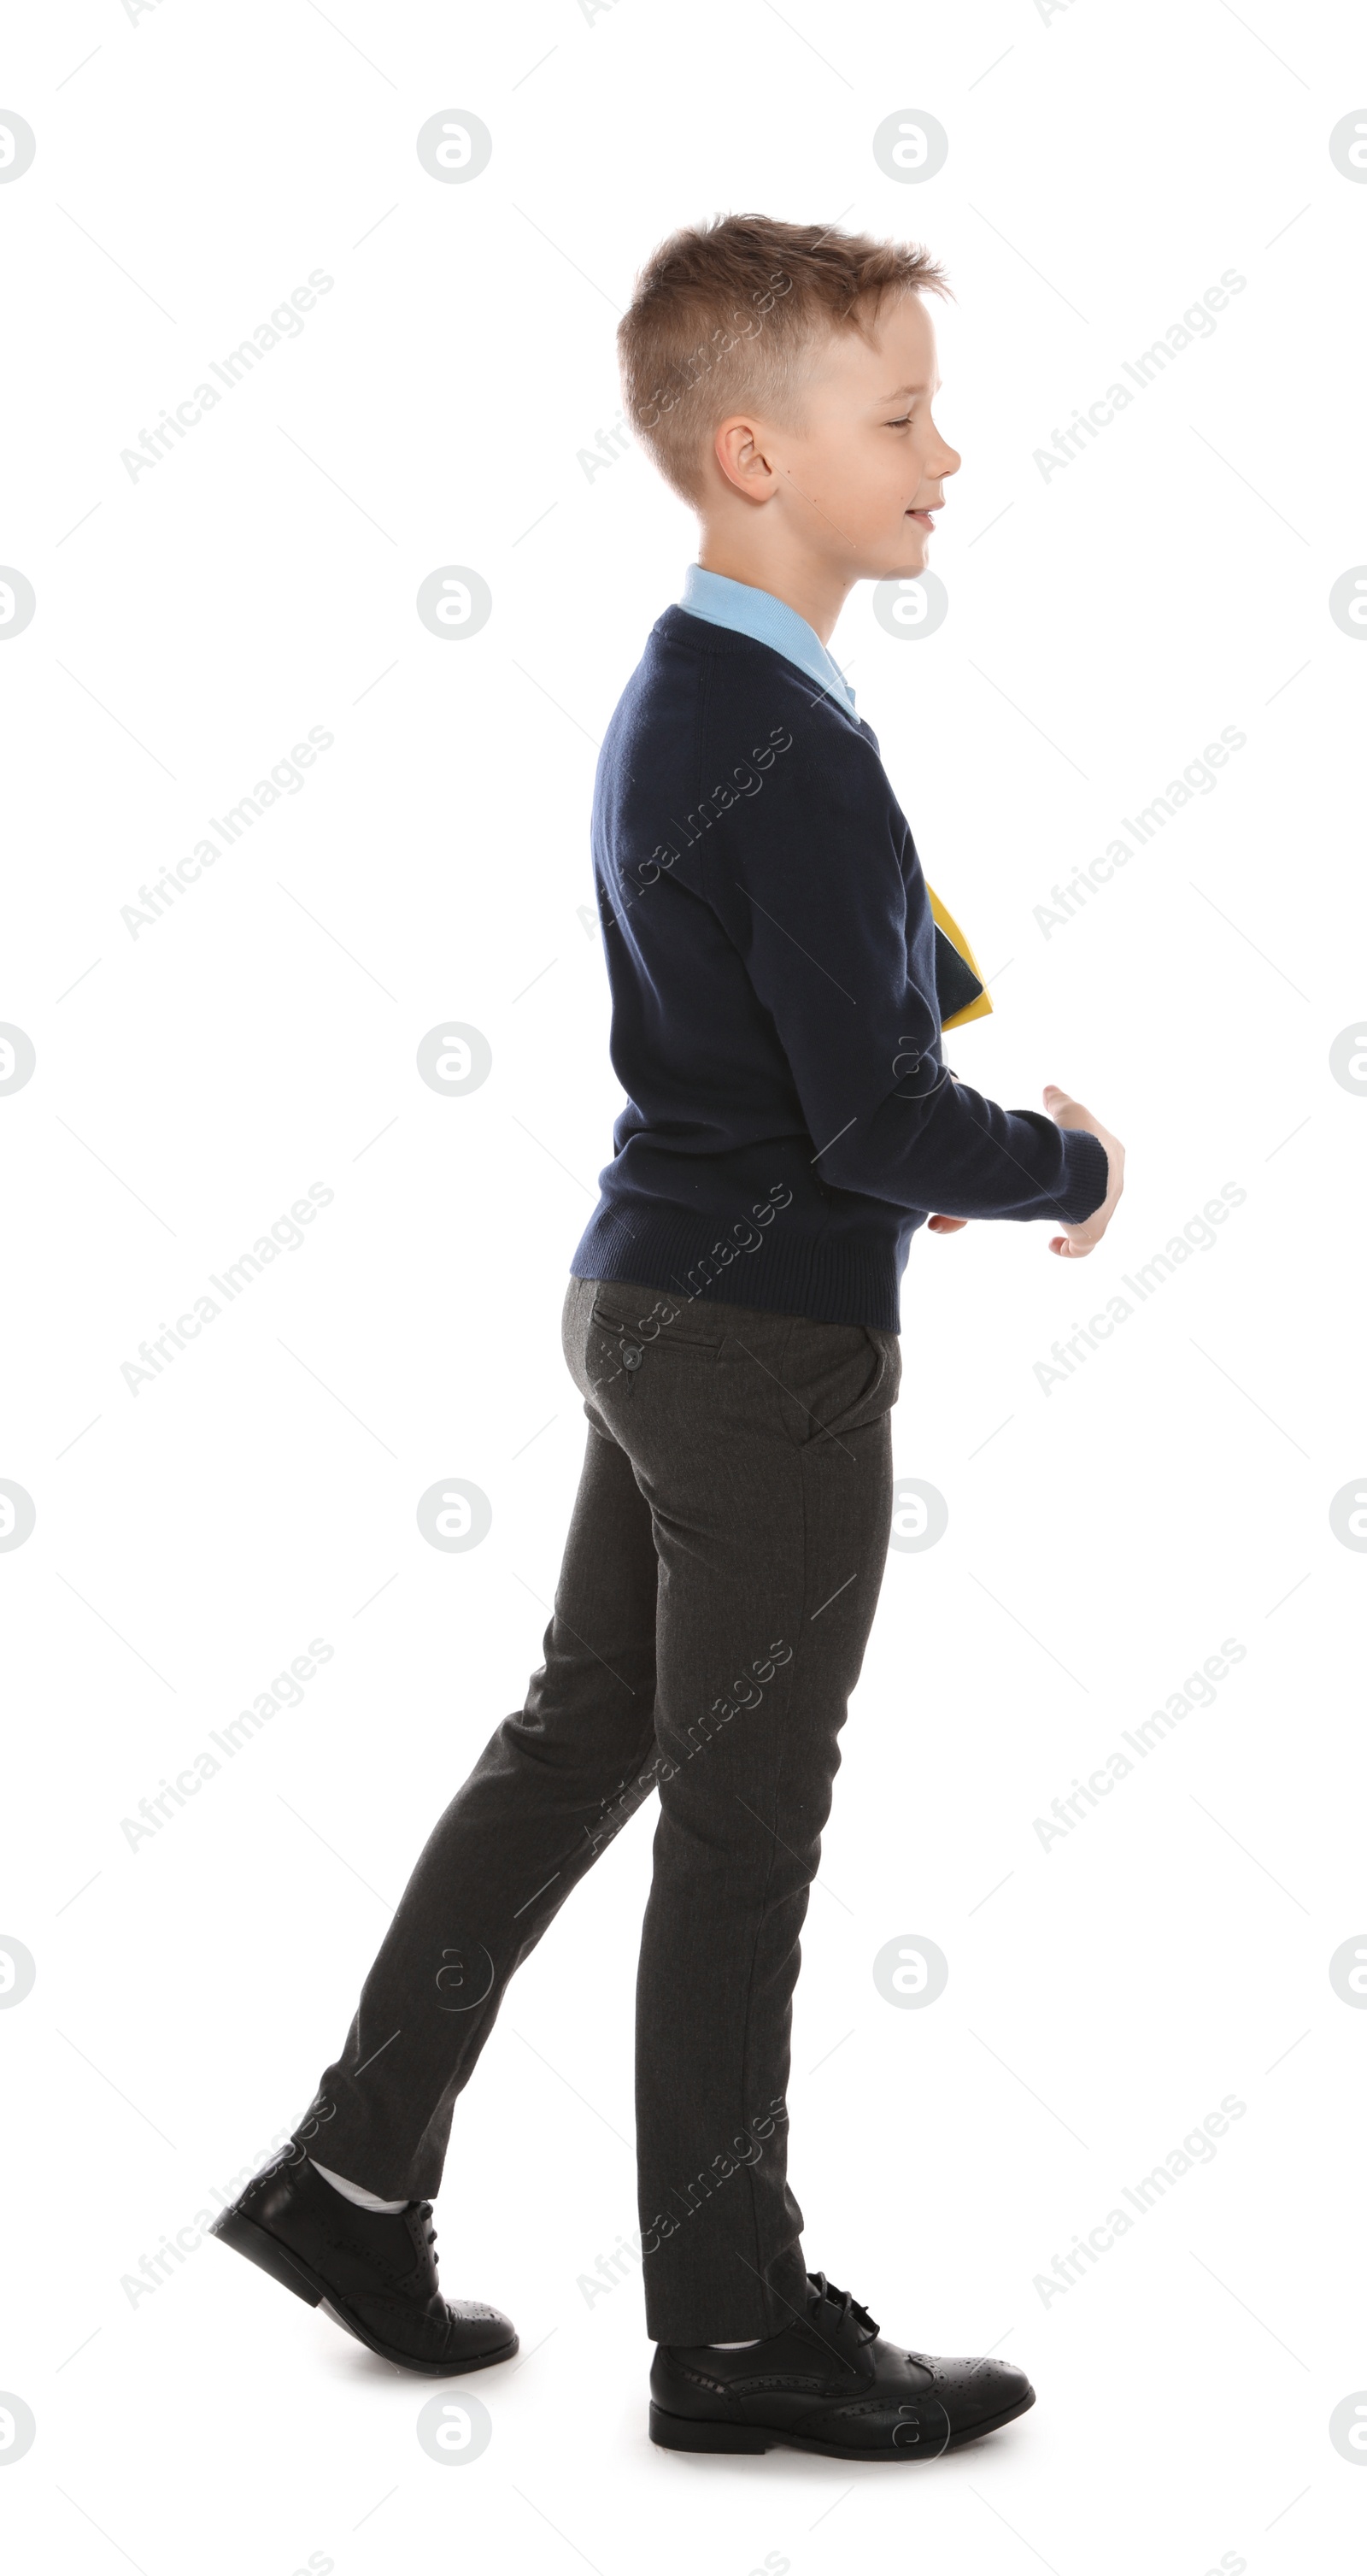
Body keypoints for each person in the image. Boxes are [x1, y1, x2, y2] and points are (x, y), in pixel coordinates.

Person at [210, 214, 1124, 2463]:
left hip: (653, 1301)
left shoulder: (713, 694)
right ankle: (733, 2335)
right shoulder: (777, 742)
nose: (948, 453)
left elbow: (816, 1039)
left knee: (580, 1742)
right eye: (898, 417)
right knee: (743, 1830)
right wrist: (1069, 1167)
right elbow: (874, 1109)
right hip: (765, 1345)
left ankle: (348, 2176)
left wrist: (930, 1091)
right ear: (751, 453)